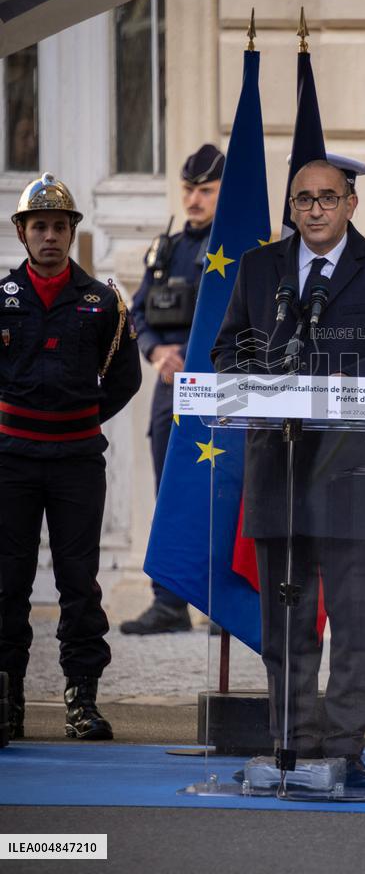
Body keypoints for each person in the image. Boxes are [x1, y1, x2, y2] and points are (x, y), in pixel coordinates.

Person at [211, 158, 365, 787]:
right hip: (278, 462)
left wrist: (344, 381)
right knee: (288, 614)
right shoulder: (260, 270)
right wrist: (256, 376)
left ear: (351, 204)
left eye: (327, 198)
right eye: (303, 199)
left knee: (356, 615)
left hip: (352, 464)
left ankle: (345, 743)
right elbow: (227, 349)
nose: (314, 210)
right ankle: (294, 740)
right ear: (292, 206)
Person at [0, 173, 141, 741]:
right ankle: (7, 701)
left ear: (73, 231)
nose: (51, 237)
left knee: (79, 582)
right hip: (11, 460)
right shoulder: (2, 300)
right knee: (8, 583)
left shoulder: (101, 302)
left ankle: (81, 700)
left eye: (60, 226)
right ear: (22, 233)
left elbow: (125, 378)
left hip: (77, 461)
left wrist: (77, 419)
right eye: (40, 227)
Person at [120, 144, 224, 635]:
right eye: (188, 189)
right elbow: (137, 311)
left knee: (225, 492)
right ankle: (169, 602)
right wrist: (159, 352)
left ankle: (223, 603)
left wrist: (199, 360)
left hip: (222, 385)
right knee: (171, 491)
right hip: (171, 384)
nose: (194, 199)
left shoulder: (241, 249)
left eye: (205, 190)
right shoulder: (170, 249)